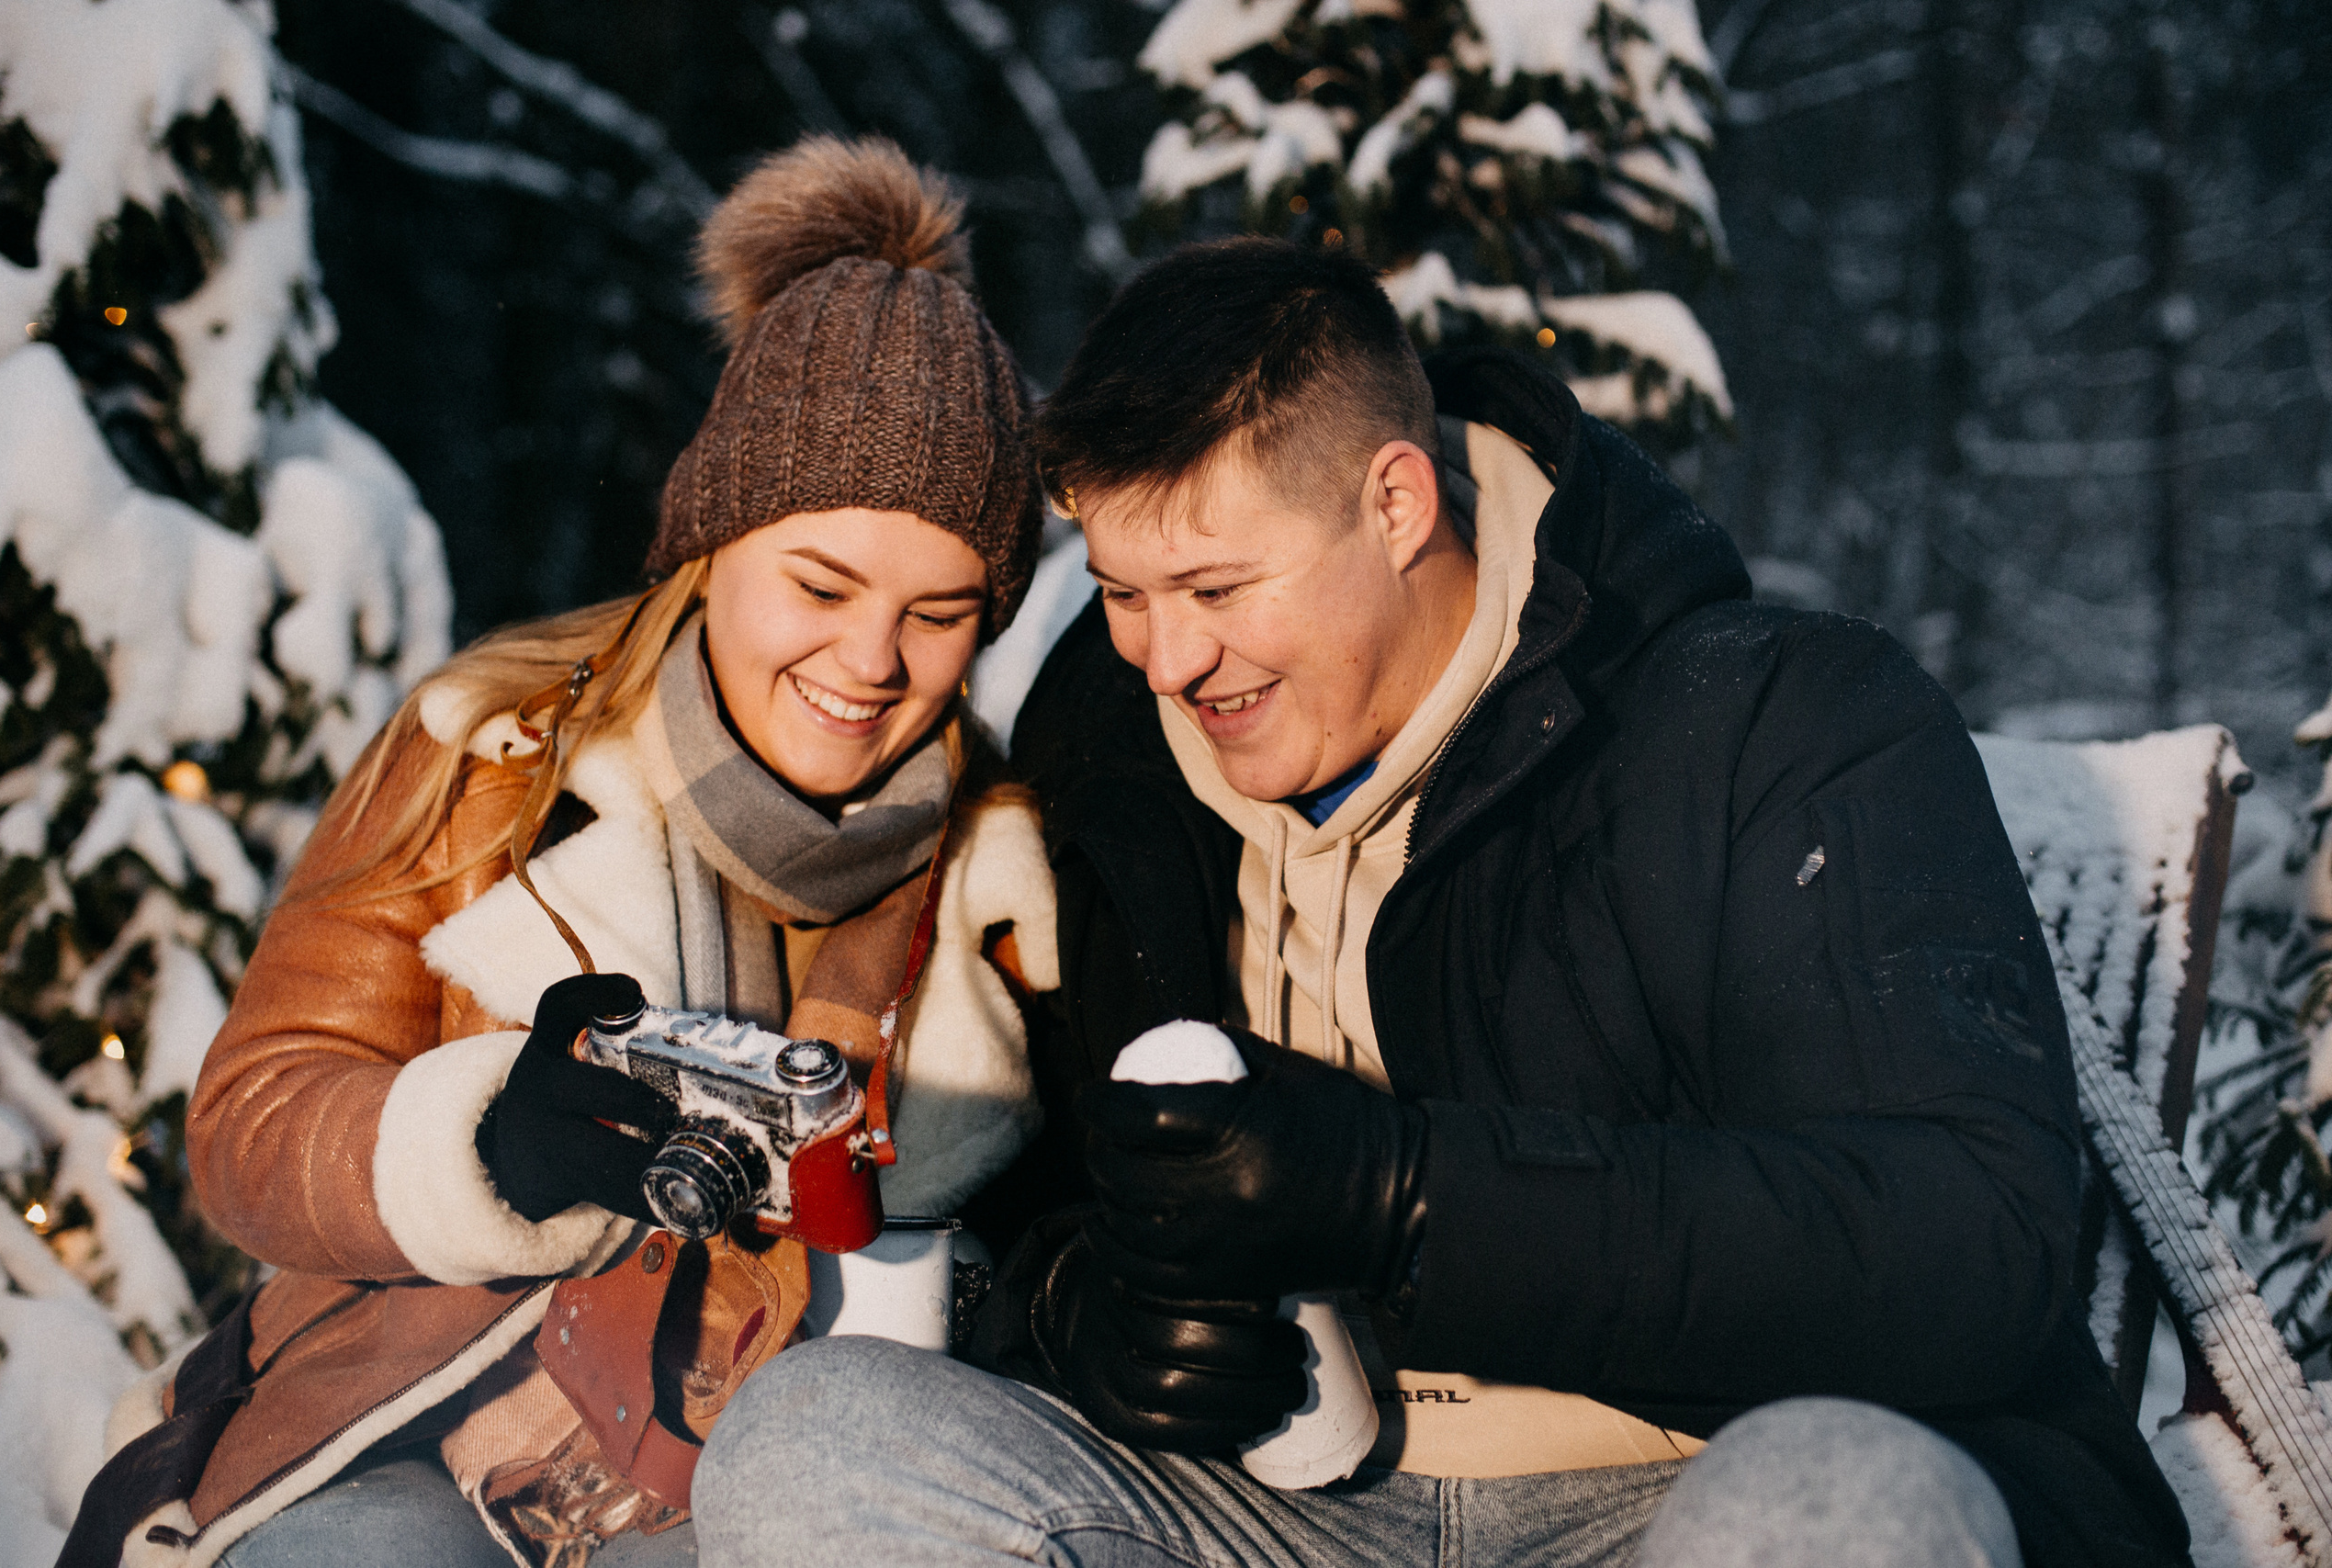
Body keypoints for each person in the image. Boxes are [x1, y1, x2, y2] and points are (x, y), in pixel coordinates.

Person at [693, 239, 2193, 1567]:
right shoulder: (1120, 747)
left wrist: (1411, 1202)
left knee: (1840, 1501)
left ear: (1396, 503)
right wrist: (1087, 1306)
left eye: (1216, 588)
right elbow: (1061, 1195)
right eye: (1129, 591)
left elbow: (1967, 1242)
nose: (1164, 657)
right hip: (1277, 1507)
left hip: (1675, 1487)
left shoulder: (1774, 721)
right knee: (820, 1442)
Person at [63, 138, 1059, 1568]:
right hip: (408, 1411)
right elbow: (246, 1126)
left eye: (943, 609)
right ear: (715, 544)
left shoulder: (1003, 875)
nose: (871, 660)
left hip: (753, 1478)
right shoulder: (493, 753)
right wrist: (479, 1146)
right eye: (821, 584)